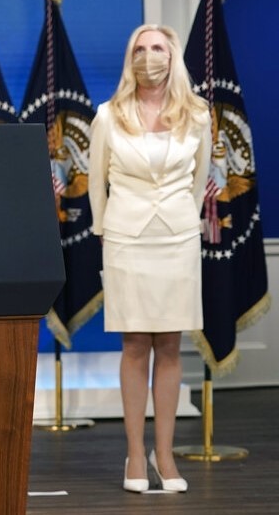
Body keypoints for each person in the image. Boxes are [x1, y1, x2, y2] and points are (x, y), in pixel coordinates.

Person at [89, 24, 211, 494]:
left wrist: (184, 222)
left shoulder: (197, 114)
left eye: (157, 47)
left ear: (172, 55)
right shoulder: (108, 115)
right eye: (139, 48)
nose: (148, 55)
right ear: (130, 58)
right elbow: (96, 183)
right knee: (136, 344)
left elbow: (199, 183)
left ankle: (166, 454)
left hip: (178, 238)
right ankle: (135, 455)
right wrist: (104, 231)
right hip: (126, 237)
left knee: (171, 346)